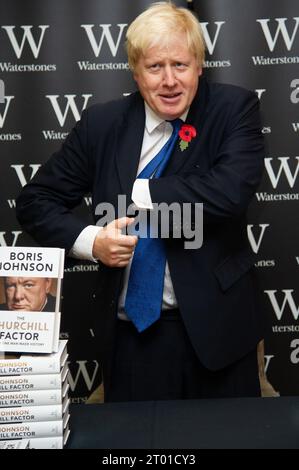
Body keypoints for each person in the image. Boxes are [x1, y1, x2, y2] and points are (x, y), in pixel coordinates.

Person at [16, 2, 265, 401]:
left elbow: (229, 192)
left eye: (181, 65)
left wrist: (141, 190)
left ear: (199, 65)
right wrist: (91, 241)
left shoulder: (233, 109)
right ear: (135, 71)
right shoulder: (102, 124)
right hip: (133, 339)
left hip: (220, 332)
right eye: (155, 67)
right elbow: (34, 201)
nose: (170, 81)